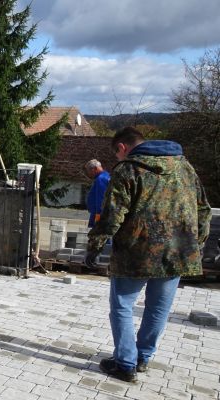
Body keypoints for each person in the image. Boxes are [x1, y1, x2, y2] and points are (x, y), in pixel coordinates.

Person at [85, 127, 211, 382]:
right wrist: (194, 245)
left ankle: (125, 363)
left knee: (122, 306)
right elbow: (204, 210)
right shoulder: (185, 167)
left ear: (122, 147)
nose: (118, 158)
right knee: (158, 309)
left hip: (135, 255)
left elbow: (111, 216)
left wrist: (94, 247)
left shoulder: (127, 170)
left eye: (117, 154)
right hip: (177, 254)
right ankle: (142, 357)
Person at [83, 159, 111, 227]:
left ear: (95, 169)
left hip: (97, 214)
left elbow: (101, 199)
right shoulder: (106, 176)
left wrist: (98, 217)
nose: (89, 174)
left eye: (89, 171)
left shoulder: (101, 179)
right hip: (99, 213)